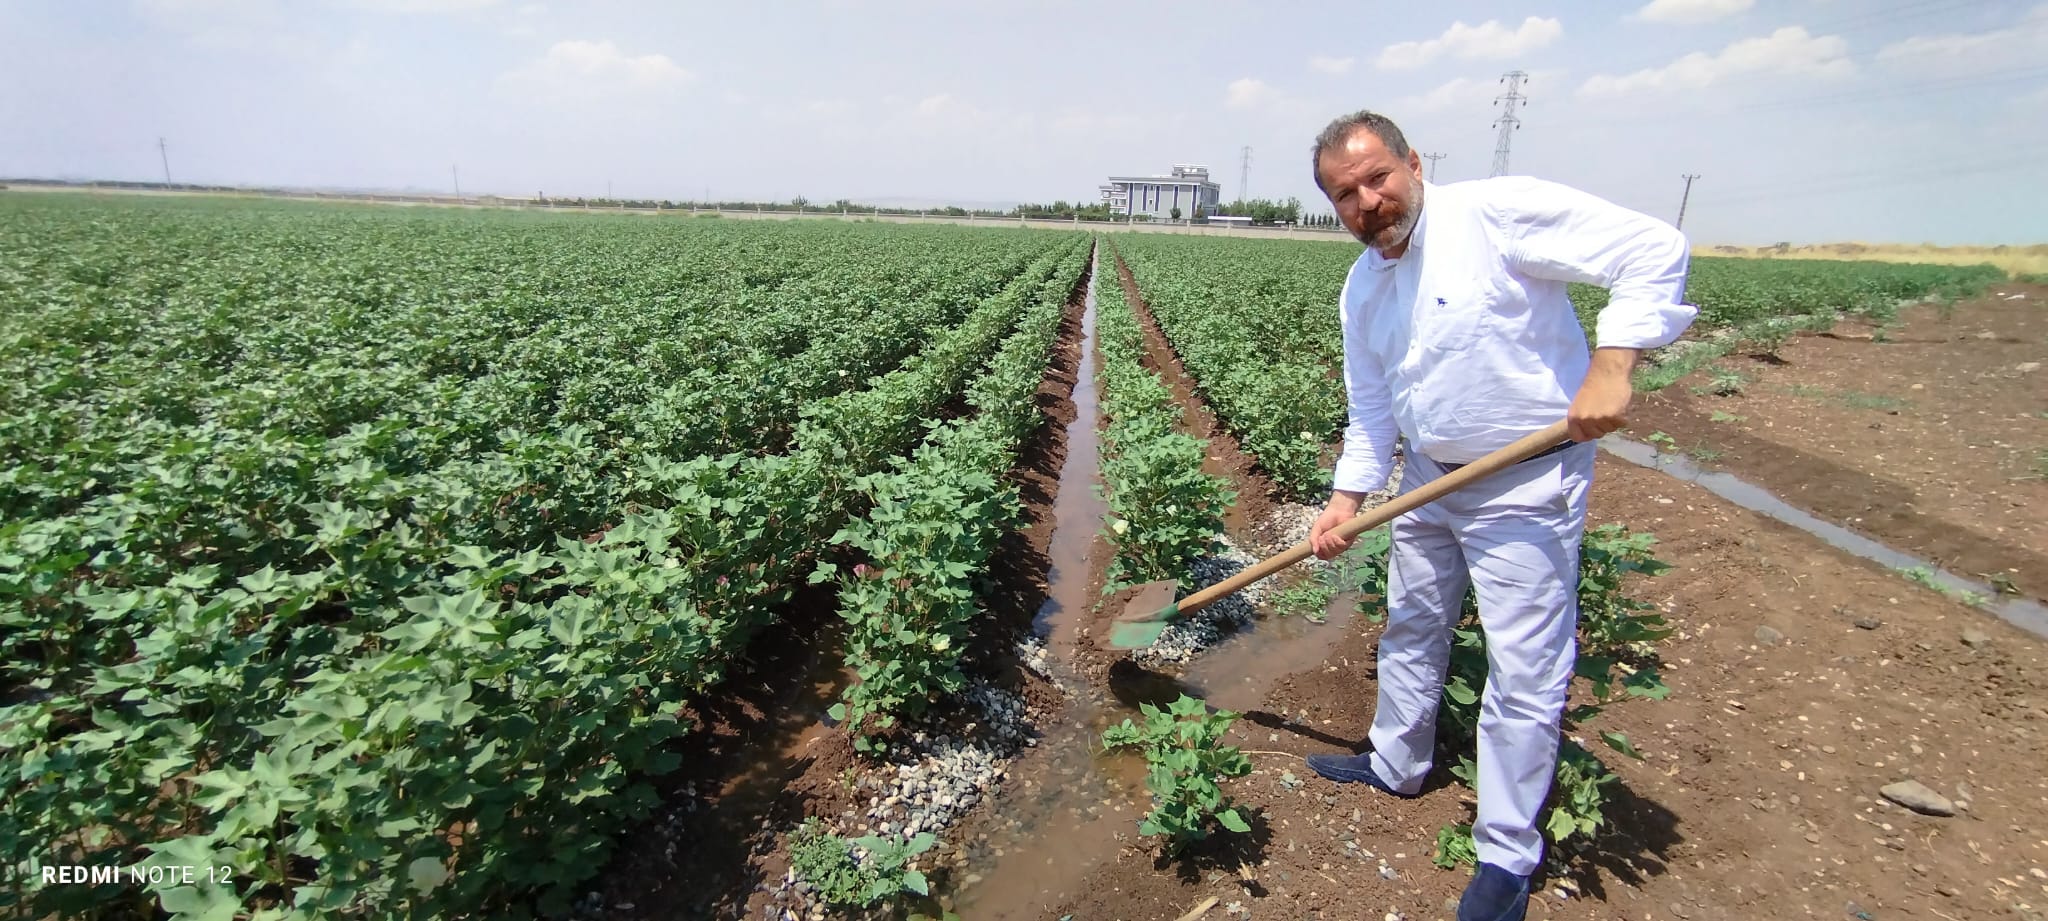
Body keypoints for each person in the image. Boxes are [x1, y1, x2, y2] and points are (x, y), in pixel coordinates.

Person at [1302, 110, 1694, 921]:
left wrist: (1614, 361)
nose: (1367, 201)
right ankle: (1396, 760)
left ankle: (1506, 854)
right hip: (1427, 481)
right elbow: (1373, 407)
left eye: (1378, 177)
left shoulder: (1495, 214)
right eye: (1346, 194)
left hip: (1524, 482)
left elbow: (1652, 248)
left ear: (1412, 162)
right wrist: (1346, 501)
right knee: (1412, 623)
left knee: (1524, 672)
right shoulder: (1362, 286)